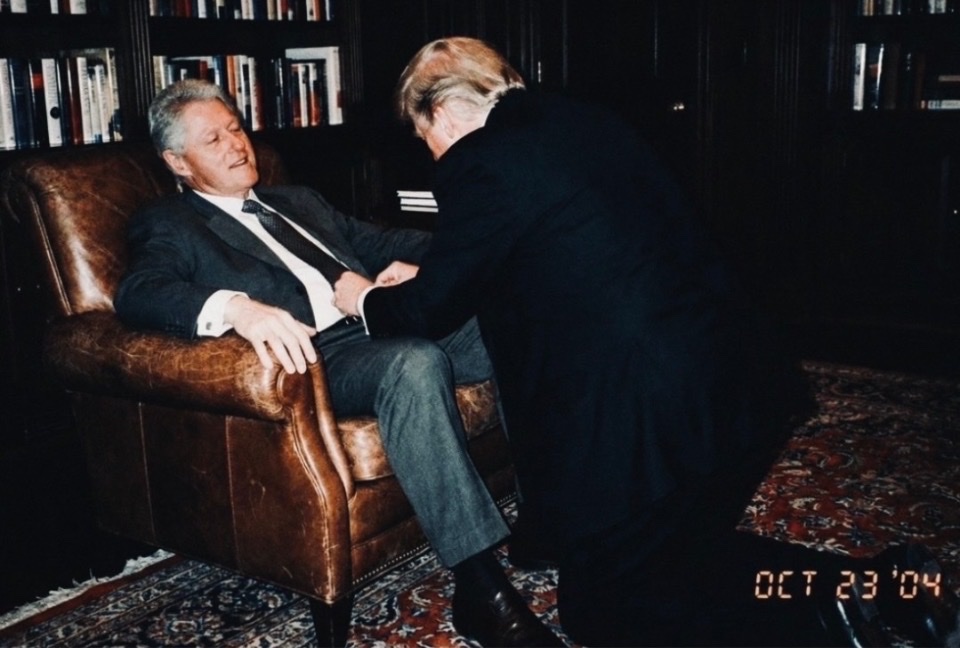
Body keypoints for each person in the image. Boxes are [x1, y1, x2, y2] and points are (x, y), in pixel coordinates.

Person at [333, 37, 957, 646]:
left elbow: (429, 310)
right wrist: (439, 270)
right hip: (736, 385)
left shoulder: (482, 159)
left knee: (607, 609)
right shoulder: (581, 120)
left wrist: (361, 296)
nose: (432, 153)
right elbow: (555, 242)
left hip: (656, 415)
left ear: (440, 111)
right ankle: (893, 588)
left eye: (424, 137)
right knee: (683, 559)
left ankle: (845, 604)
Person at [113, 78, 563, 648]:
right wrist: (238, 308)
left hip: (378, 323)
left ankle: (546, 516)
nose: (236, 145)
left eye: (235, 129)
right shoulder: (171, 223)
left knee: (513, 318)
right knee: (413, 363)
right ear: (178, 162)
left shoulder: (297, 201)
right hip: (322, 358)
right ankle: (480, 587)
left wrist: (456, 258)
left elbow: (381, 242)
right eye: (213, 139)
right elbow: (139, 291)